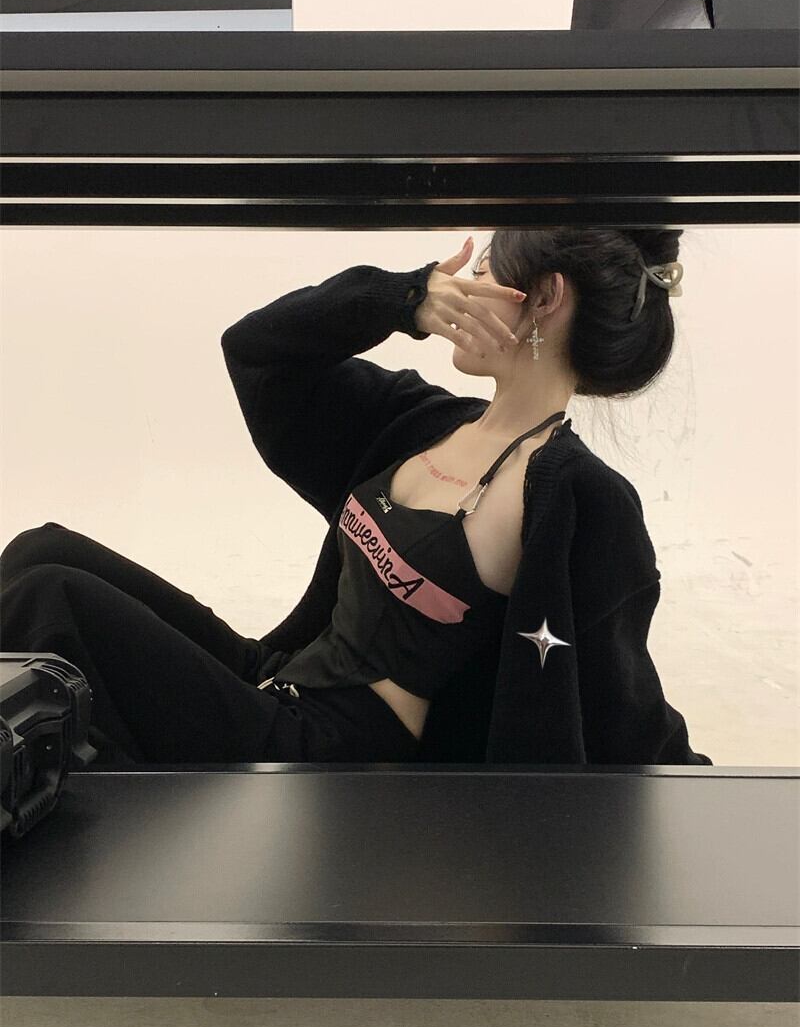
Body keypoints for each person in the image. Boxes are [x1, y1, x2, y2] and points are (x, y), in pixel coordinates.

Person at [0, 227, 710, 767]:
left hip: (328, 754)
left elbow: (623, 697)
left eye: (487, 266)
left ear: (546, 298)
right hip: (278, 679)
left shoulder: (572, 492)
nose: (468, 278)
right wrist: (403, 299)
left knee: (50, 598)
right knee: (40, 550)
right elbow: (257, 349)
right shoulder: (422, 422)